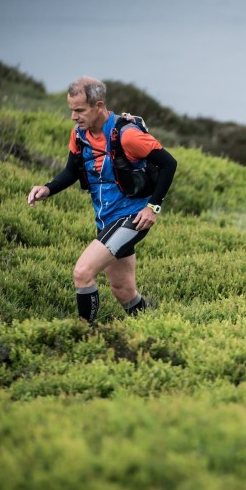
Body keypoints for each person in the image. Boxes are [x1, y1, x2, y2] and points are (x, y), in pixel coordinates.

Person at [27, 76, 177, 322]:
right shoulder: (79, 135)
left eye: (80, 110)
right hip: (106, 218)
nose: (74, 116)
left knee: (82, 272)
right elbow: (71, 171)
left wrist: (153, 207)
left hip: (132, 217)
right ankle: (154, 326)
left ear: (99, 106)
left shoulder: (127, 136)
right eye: (71, 110)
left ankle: (83, 333)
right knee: (123, 290)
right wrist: (48, 188)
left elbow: (169, 164)